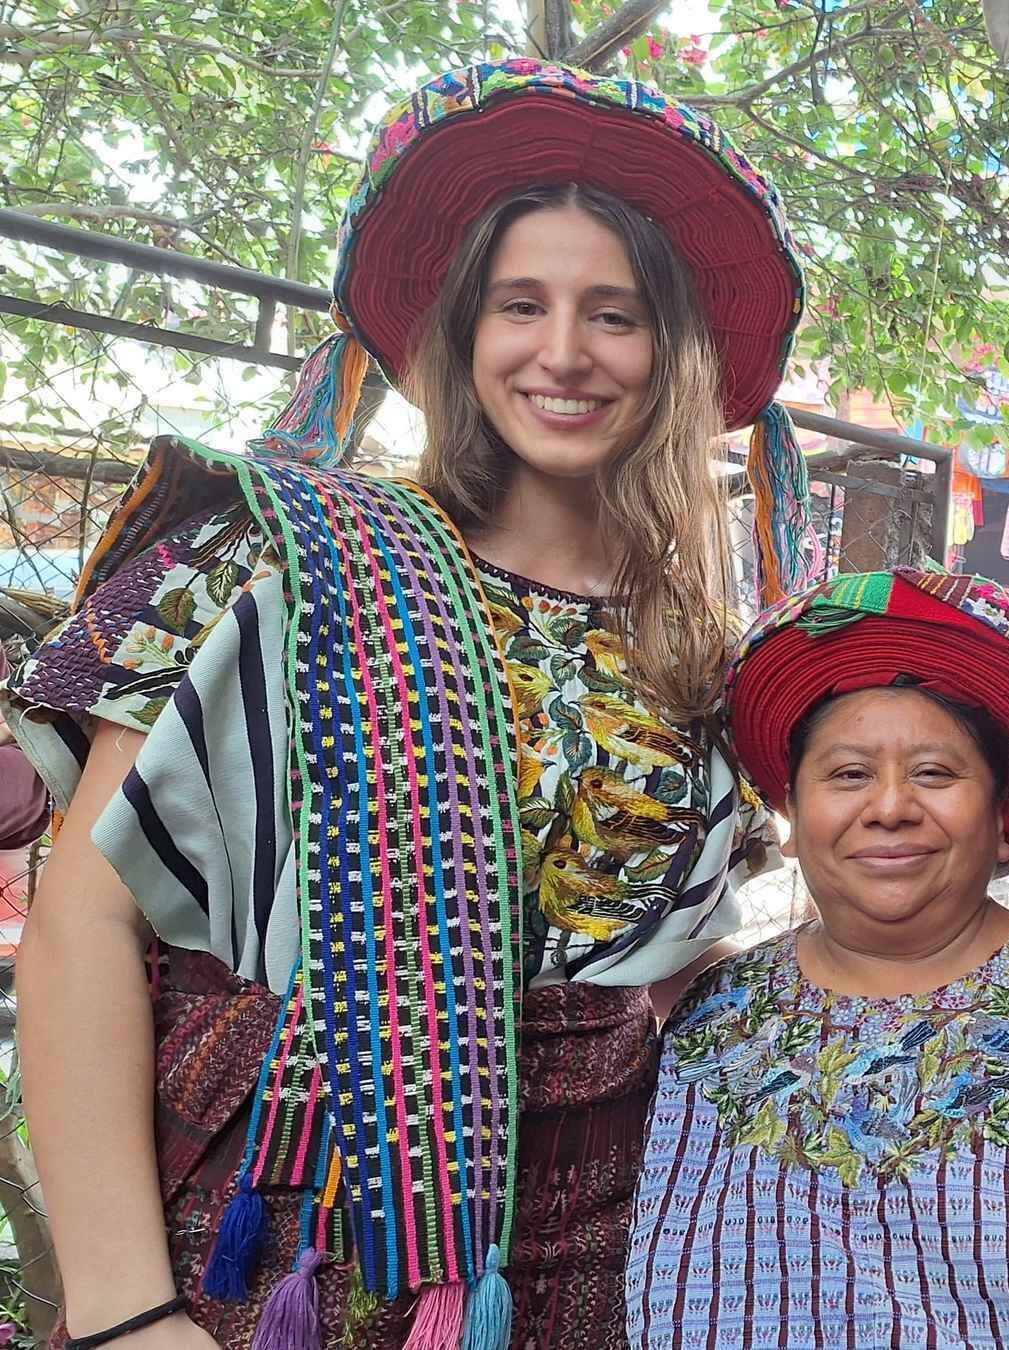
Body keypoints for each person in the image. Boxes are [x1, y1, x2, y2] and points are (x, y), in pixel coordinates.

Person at [3, 60, 810, 1349]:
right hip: (269, 1245)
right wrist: (121, 1308)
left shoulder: (707, 652)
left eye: (613, 314)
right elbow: (84, 926)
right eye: (519, 305)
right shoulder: (281, 556)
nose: (564, 353)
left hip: (605, 1274)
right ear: (459, 331)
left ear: (671, 351)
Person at [627, 568, 1009, 1348]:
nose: (892, 806)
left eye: (935, 773)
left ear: (1003, 819)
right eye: (848, 774)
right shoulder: (713, 1018)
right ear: (793, 817)